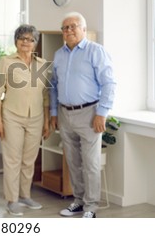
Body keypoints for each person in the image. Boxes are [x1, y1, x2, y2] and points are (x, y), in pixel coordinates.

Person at [50, 12, 116, 218]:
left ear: (84, 29)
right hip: (65, 114)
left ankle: (91, 207)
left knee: (91, 163)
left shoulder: (96, 51)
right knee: (72, 162)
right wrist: (53, 113)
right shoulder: (59, 54)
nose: (68, 30)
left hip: (89, 114)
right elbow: (53, 86)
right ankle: (78, 201)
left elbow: (109, 83)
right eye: (65, 28)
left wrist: (102, 113)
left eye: (73, 26)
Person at [0, 25, 50, 216]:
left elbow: (46, 96)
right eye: (22, 38)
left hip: (36, 117)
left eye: (30, 39)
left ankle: (25, 195)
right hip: (11, 117)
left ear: (35, 43)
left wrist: (47, 122)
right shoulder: (6, 62)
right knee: (13, 160)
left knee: (29, 160)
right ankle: (12, 199)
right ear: (16, 41)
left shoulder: (42, 64)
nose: (26, 42)